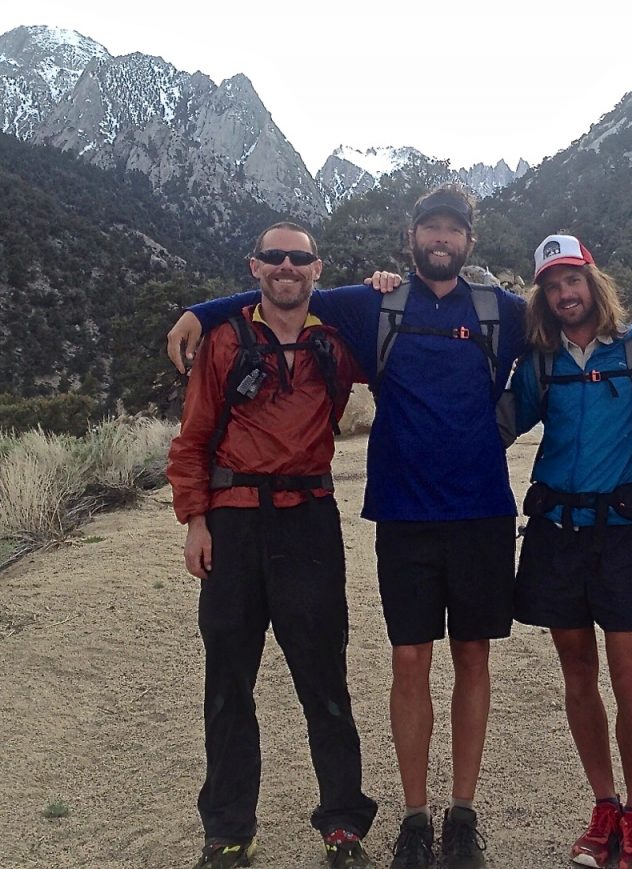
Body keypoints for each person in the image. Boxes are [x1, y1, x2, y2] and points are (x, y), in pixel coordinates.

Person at [167, 187, 528, 869]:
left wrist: (507, 421)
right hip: (390, 516)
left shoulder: (495, 310)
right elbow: (281, 304)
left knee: (426, 664)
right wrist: (197, 312)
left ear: (469, 241)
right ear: (412, 234)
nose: (442, 238)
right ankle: (393, 821)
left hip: (460, 513)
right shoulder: (371, 306)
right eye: (431, 227)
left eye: (454, 229)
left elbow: (569, 326)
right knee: (388, 663)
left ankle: (427, 819)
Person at [166, 222, 378, 869]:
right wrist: (194, 521)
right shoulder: (226, 340)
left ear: (318, 268)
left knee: (325, 677)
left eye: (300, 258)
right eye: (275, 257)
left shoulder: (337, 343)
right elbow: (192, 438)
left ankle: (343, 824)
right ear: (255, 266)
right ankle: (228, 829)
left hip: (308, 519)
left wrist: (380, 290)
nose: (287, 267)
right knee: (228, 682)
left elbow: (398, 351)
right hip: (232, 524)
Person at [509, 235, 632, 869]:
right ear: (542, 296)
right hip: (557, 536)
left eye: (572, 280)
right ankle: (603, 806)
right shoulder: (541, 363)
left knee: (629, 680)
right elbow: (492, 426)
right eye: (551, 285)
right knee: (578, 679)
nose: (564, 294)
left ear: (592, 282)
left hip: (621, 539)